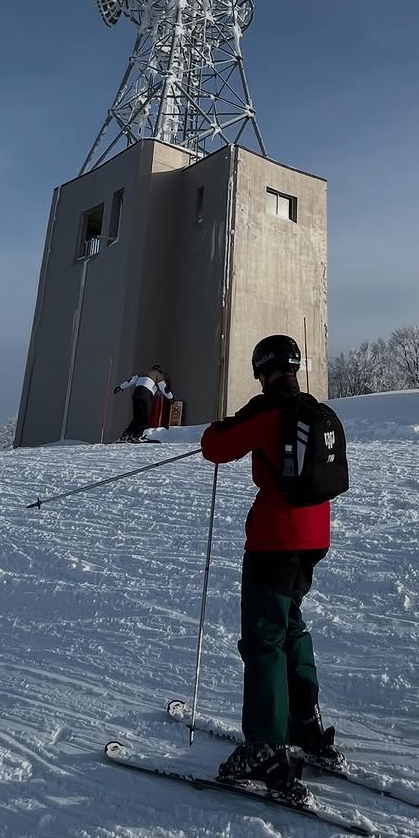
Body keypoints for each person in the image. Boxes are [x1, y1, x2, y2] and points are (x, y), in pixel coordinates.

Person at [200, 334, 343, 805]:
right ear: (295, 368)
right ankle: (305, 724)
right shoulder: (311, 408)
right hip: (314, 537)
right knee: (292, 628)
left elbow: (215, 447)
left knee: (263, 638)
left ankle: (265, 746)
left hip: (275, 541)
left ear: (262, 370)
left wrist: (221, 425)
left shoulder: (267, 412)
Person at [114, 365, 172, 442]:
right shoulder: (158, 375)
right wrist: (171, 398)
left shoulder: (142, 373)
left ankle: (126, 435)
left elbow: (130, 380)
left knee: (137, 417)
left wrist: (120, 387)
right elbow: (164, 388)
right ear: (159, 371)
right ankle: (137, 436)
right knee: (145, 418)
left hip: (136, 394)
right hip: (146, 394)